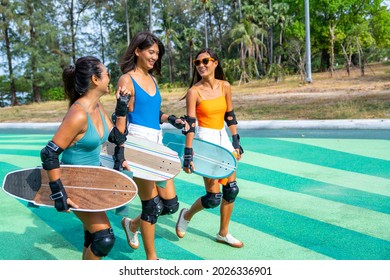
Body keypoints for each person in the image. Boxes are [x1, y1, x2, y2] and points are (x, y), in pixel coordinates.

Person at [40, 56, 131, 260]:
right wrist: (59, 194)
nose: (110, 77)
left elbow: (116, 137)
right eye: (106, 73)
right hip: (74, 184)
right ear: (95, 79)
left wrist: (122, 107)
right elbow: (49, 153)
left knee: (92, 238)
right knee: (103, 239)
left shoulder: (96, 108)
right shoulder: (79, 113)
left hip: (92, 182)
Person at [116, 31, 185, 260]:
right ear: (137, 51)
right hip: (138, 144)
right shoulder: (127, 79)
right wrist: (120, 150)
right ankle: (152, 260)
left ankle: (131, 225)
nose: (155, 57)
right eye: (151, 52)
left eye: (157, 53)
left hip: (157, 142)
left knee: (170, 205)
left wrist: (171, 119)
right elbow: (122, 114)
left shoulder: (152, 79)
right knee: (151, 206)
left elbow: (154, 112)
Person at [176, 48, 244, 248]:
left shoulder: (225, 86)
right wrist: (188, 154)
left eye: (205, 61)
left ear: (215, 63)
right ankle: (187, 214)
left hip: (223, 138)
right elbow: (190, 124)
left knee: (231, 189)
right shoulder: (193, 92)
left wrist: (236, 141)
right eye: (197, 63)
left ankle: (223, 233)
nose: (201, 65)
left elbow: (230, 115)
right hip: (205, 141)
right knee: (213, 197)